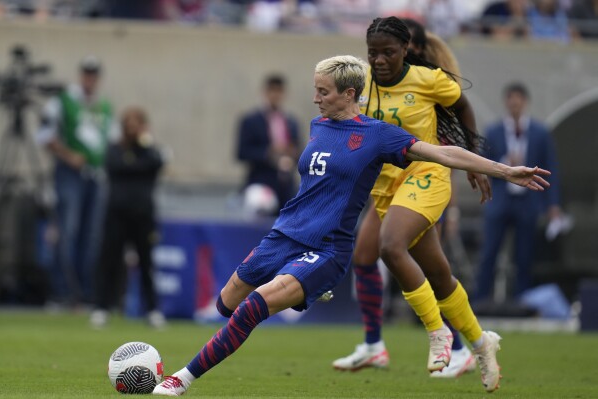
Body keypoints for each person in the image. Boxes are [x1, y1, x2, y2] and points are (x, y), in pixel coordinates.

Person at [152, 54, 550, 396]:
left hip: (326, 248)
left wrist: (503, 170)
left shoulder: (377, 136)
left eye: (323, 91)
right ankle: (308, 290)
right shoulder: (317, 125)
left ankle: (180, 380)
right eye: (315, 89)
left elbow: (442, 153)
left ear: (348, 94)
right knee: (227, 303)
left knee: (254, 308)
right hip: (284, 234)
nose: (315, 98)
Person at [330, 16, 499, 388]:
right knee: (438, 273)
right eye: (373, 53)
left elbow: (463, 108)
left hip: (428, 175)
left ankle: (438, 334)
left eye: (388, 53)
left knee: (390, 246)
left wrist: (475, 161)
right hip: (386, 185)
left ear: (406, 50)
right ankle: (479, 343)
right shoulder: (361, 85)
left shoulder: (429, 79)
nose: (379, 61)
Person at [475, 82, 562, 303]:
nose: (514, 104)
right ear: (506, 102)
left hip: (528, 201)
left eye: (518, 99)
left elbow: (551, 166)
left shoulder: (540, 132)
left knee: (524, 256)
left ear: (524, 102)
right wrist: (505, 164)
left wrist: (552, 204)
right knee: (489, 253)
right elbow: (482, 164)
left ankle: (523, 302)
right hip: (500, 199)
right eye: (511, 99)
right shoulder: (493, 132)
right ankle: (480, 301)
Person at [38, 55, 114, 307]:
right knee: (67, 231)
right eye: (86, 74)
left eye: (94, 75)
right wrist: (69, 156)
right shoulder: (63, 101)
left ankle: (85, 292)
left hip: (96, 175)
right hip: (70, 174)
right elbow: (44, 136)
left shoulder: (104, 106)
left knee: (90, 236)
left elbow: (111, 140)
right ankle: (62, 291)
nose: (90, 79)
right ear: (81, 75)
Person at [90, 107, 166, 329]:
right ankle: (101, 307)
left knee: (146, 264)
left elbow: (156, 164)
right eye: (129, 125)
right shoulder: (114, 149)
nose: (133, 129)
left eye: (137, 124)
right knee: (109, 261)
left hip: (142, 216)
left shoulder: (149, 150)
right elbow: (116, 166)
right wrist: (136, 166)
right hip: (116, 215)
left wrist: (144, 149)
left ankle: (152, 310)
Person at [236, 74, 301, 215]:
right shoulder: (251, 121)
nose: (275, 95)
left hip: (286, 186)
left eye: (279, 91)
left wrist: (292, 154)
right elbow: (242, 152)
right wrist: (268, 153)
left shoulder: (291, 122)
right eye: (272, 90)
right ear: (265, 92)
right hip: (261, 184)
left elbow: (299, 151)